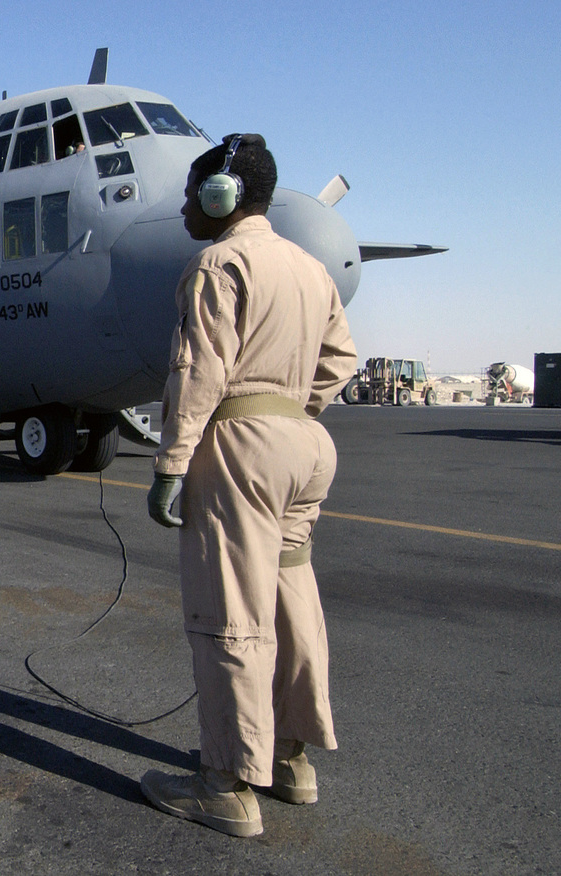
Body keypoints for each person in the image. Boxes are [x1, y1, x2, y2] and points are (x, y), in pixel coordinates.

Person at [142, 134, 356, 837]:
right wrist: (292, 414)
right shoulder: (310, 268)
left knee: (230, 611)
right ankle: (291, 761)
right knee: (294, 601)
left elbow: (198, 369)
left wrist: (173, 461)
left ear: (220, 197)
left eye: (192, 193)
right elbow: (339, 361)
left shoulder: (218, 262)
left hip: (241, 447)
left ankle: (227, 783)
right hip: (305, 446)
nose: (183, 206)